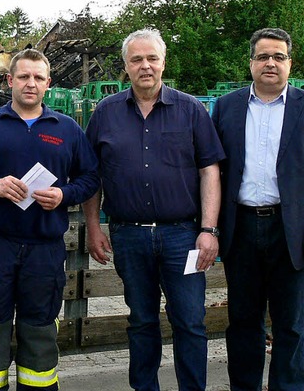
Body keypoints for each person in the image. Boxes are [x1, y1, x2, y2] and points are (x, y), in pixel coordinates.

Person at [0, 48, 100, 391]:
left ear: (48, 83)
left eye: (38, 78)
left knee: (41, 328)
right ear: (10, 80)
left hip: (44, 248)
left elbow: (91, 178)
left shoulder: (67, 129)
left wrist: (64, 195)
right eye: (24, 77)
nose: (31, 84)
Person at [82, 28, 225, 391]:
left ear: (163, 62)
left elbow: (210, 170)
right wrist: (94, 227)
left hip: (182, 235)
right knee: (142, 321)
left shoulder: (191, 109)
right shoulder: (106, 112)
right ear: (126, 67)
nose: (145, 66)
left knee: (190, 321)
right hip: (128, 234)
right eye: (136, 60)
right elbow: (91, 174)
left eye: (152, 58)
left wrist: (208, 230)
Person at [212, 28, 304, 390]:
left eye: (278, 57)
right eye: (263, 56)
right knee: (243, 321)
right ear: (251, 62)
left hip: (291, 230)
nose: (271, 63)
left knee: (292, 324)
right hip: (243, 227)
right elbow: (213, 169)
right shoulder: (227, 107)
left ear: (289, 64)